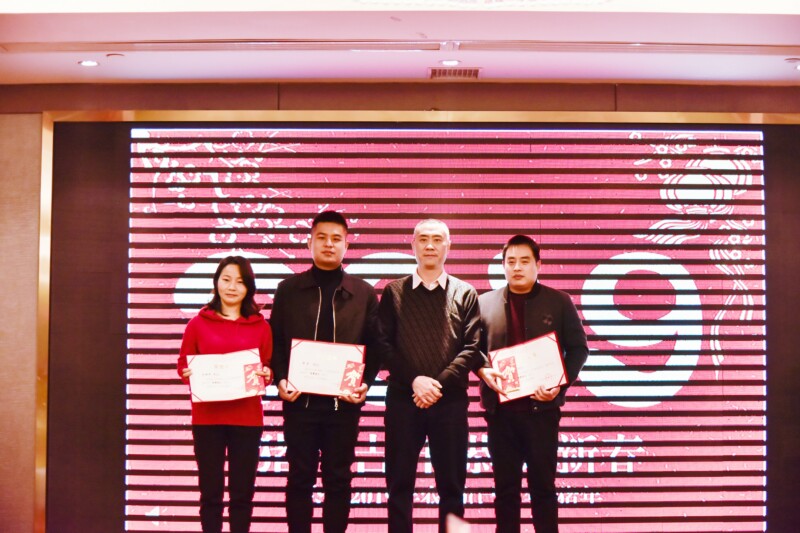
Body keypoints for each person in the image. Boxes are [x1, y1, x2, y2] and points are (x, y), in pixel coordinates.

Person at [269, 210, 388, 533]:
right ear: (309, 243)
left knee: (338, 479)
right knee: (299, 478)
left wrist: (365, 384)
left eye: (336, 239)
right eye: (321, 237)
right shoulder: (288, 290)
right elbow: (275, 341)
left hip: (343, 406)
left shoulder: (363, 293)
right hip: (299, 403)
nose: (329, 244)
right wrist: (280, 378)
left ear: (347, 245)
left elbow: (376, 346)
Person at [476, 235, 589, 533]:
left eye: (524, 261)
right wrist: (483, 370)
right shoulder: (484, 303)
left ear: (538, 265)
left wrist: (559, 385)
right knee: (505, 491)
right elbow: (472, 350)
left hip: (542, 412)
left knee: (543, 489)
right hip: (501, 414)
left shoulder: (559, 301)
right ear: (502, 265)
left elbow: (579, 349)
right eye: (511, 261)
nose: (517, 267)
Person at [378, 219, 483, 533]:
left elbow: (473, 347)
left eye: (437, 240)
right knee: (399, 486)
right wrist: (416, 380)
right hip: (403, 399)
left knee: (452, 489)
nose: (430, 246)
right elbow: (383, 345)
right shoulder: (393, 292)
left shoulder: (466, 293)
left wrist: (436, 384)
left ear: (448, 246)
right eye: (423, 239)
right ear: (413, 245)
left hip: (450, 402)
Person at [177, 255, 273, 533]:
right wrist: (187, 373)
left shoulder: (261, 326)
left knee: (242, 495)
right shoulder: (197, 324)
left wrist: (267, 374)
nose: (232, 287)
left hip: (247, 420)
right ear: (216, 282)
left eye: (240, 282)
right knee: (211, 495)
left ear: (249, 287)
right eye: (226, 279)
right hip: (207, 419)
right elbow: (183, 364)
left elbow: (267, 366)